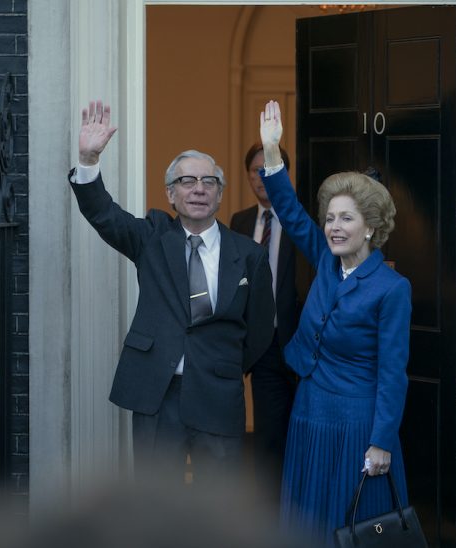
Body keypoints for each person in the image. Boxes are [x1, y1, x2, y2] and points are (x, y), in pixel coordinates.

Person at [67, 100, 275, 484]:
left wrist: (221, 362)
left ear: (219, 194)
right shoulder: (151, 238)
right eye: (187, 181)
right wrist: (88, 159)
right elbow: (103, 214)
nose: (198, 189)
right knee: (154, 503)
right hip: (157, 395)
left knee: (218, 507)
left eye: (208, 181)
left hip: (217, 392)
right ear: (170, 195)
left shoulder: (248, 255)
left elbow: (260, 330)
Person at [257, 100, 412, 543]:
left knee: (352, 524)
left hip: (356, 425)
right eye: (329, 218)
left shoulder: (391, 287)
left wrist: (381, 441)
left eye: (346, 218)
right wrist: (272, 150)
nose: (333, 227)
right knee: (308, 520)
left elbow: (392, 372)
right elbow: (287, 208)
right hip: (310, 412)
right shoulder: (326, 260)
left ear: (370, 227)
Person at [229, 143, 301, 496]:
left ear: (283, 175)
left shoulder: (303, 221)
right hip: (262, 347)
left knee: (302, 436)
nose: (261, 176)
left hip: (301, 345)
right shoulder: (239, 222)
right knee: (268, 437)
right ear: (247, 176)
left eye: (268, 168)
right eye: (255, 169)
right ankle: (270, 516)